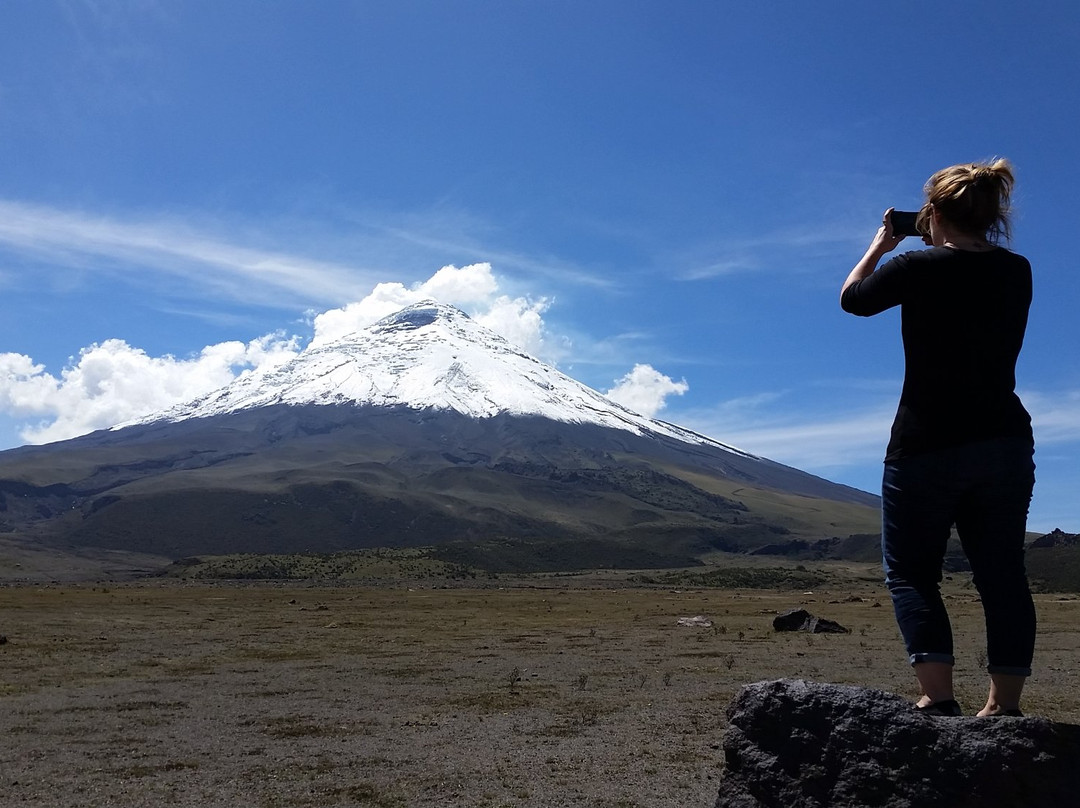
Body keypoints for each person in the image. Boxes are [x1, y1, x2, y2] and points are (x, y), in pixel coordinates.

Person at [840, 159, 1036, 718]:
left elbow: (853, 299)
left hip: (925, 444)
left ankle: (938, 695)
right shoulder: (1016, 270)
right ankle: (1004, 707)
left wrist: (882, 243)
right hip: (1003, 442)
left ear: (933, 211)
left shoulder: (917, 267)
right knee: (1002, 574)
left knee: (911, 573)